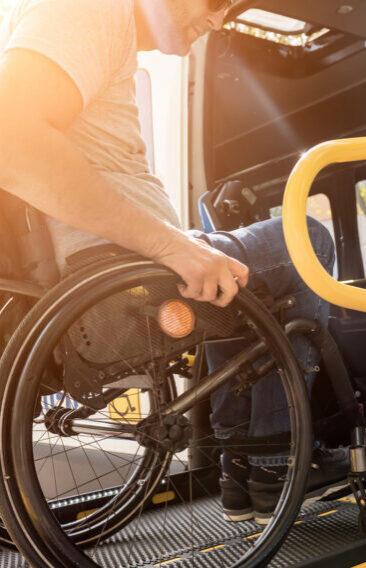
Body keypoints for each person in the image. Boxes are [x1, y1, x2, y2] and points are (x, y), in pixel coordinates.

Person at [0, 0, 344, 524]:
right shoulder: (89, 11)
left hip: (116, 270)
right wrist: (174, 247)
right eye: (213, 2)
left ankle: (242, 471)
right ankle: (275, 462)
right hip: (121, 277)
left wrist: (184, 247)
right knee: (307, 239)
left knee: (228, 274)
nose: (219, 19)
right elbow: (12, 136)